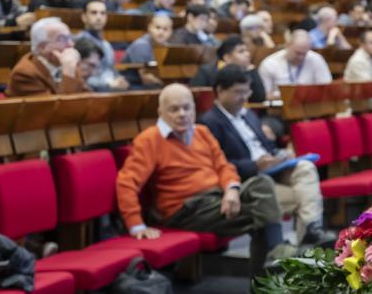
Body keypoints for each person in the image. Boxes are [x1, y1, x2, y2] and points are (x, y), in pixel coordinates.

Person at [116, 84, 296, 276]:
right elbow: (127, 182)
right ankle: (274, 259)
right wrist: (136, 225)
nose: (182, 114)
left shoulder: (202, 132)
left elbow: (224, 167)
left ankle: (272, 261)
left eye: (187, 108)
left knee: (262, 184)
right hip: (185, 209)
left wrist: (231, 190)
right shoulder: (149, 140)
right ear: (161, 112)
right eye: (174, 109)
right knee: (264, 216)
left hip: (216, 198)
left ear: (194, 109)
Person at [200, 65, 335, 245]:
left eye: (246, 92)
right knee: (306, 197)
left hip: (273, 169)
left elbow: (266, 146)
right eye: (238, 92)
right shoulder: (209, 122)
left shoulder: (248, 115)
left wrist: (281, 154)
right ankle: (307, 239)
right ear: (220, 91)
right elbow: (219, 164)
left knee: (305, 167)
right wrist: (255, 165)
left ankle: (310, 231)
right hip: (251, 179)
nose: (244, 98)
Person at [5, 17, 88, 96]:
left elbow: (88, 99)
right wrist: (68, 70)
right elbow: (61, 109)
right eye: (62, 39)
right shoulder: (24, 74)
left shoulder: (68, 63)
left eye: (70, 38)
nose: (71, 44)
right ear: (42, 47)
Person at [189, 35, 266, 103]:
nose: (247, 54)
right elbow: (197, 98)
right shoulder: (206, 72)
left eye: (247, 51)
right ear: (227, 57)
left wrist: (252, 71)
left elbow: (260, 98)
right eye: (241, 51)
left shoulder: (248, 71)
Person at [73, 0, 129, 92]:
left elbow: (112, 70)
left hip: (111, 89)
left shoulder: (107, 45)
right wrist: (108, 85)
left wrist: (120, 80)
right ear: (84, 17)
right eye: (94, 13)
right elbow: (80, 78)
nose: (99, 17)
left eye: (103, 13)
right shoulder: (78, 42)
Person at [258, 29, 332, 98]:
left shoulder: (316, 59)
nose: (301, 57)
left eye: (304, 54)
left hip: (310, 107)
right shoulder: (269, 63)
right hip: (279, 108)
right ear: (287, 45)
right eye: (297, 53)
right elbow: (265, 94)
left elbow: (327, 88)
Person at [121, 14, 172, 88]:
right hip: (134, 85)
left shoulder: (168, 47)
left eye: (165, 29)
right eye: (157, 27)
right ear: (149, 28)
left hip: (156, 83)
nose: (161, 32)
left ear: (171, 32)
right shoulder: (140, 45)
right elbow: (145, 78)